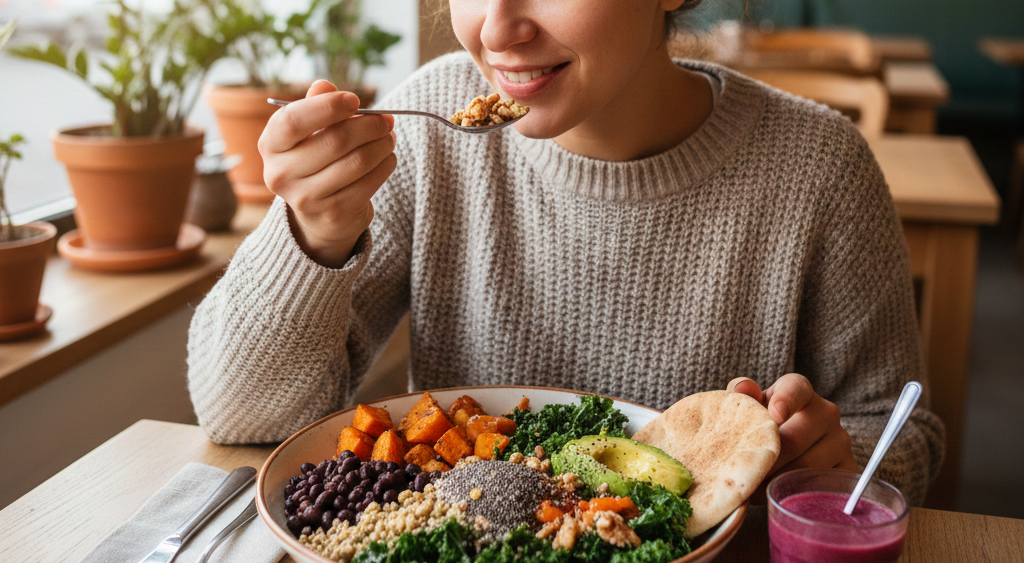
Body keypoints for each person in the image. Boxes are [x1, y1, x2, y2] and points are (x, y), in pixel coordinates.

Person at [187, 0, 944, 505]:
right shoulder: (426, 138)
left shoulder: (820, 168)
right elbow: (241, 416)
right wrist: (314, 233)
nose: (497, 28)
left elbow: (901, 430)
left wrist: (837, 460)